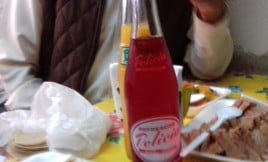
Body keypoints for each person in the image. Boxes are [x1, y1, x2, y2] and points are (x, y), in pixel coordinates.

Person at [0, 0, 233, 111]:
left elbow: (208, 70)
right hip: (61, 129)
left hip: (150, 126)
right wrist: (67, 119)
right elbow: (14, 76)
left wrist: (210, 11)